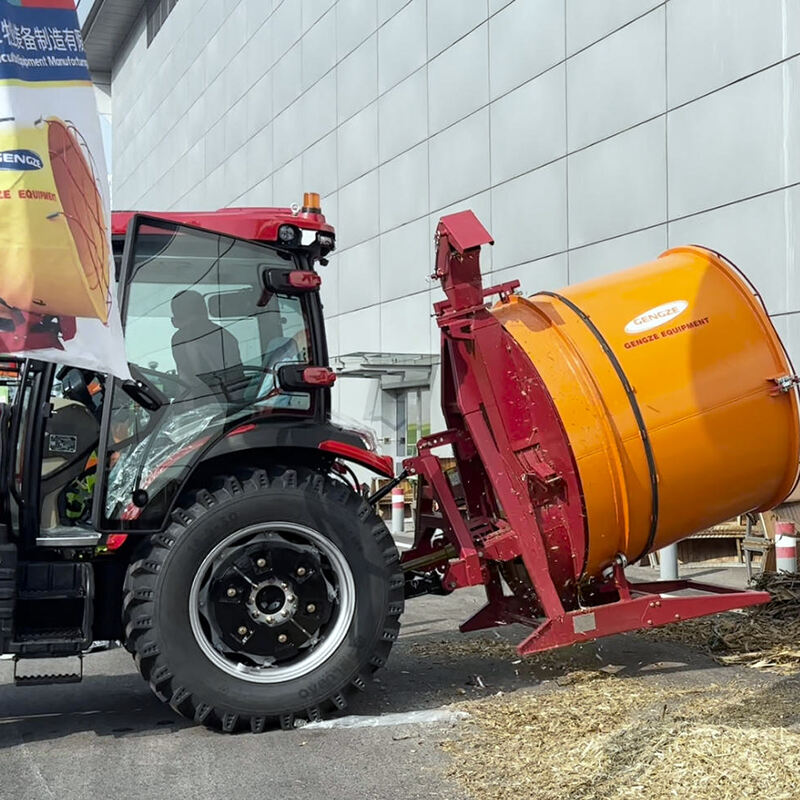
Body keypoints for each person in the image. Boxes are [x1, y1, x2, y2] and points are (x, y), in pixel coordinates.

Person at [170, 290, 245, 400]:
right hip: (236, 398)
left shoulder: (182, 337)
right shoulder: (226, 335)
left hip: (207, 403)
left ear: (177, 316)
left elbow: (190, 377)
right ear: (204, 310)